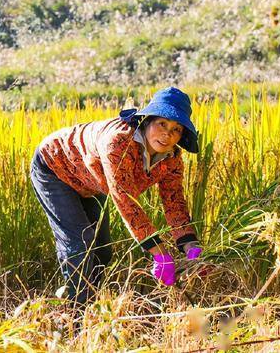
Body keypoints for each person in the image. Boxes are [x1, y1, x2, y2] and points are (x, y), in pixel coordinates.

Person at [29, 87, 202, 306]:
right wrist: (159, 253)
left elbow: (174, 203)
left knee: (102, 250)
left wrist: (190, 246)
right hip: (56, 167)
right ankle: (74, 315)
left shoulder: (171, 159)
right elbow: (125, 200)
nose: (168, 134)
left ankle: (85, 300)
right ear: (147, 121)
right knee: (80, 245)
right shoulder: (118, 143)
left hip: (91, 181)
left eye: (176, 129)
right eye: (162, 124)